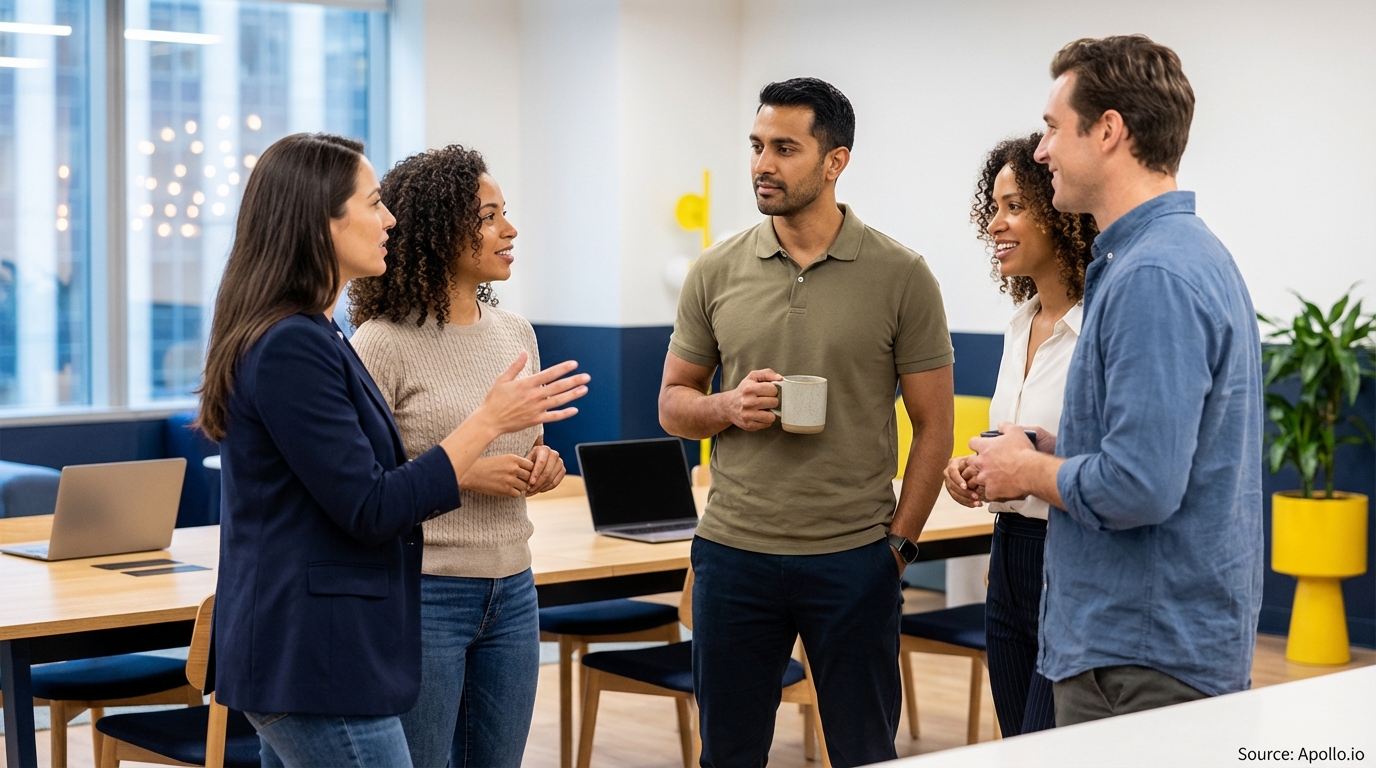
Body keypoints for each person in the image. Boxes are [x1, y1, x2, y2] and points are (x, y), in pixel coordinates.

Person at [199, 133, 589, 767]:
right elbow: (372, 504)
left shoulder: (313, 333)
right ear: (317, 220)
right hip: (311, 654)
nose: (389, 220)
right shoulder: (294, 344)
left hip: (325, 648)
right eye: (374, 203)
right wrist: (486, 423)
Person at [967, 35, 1263, 725]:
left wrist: (1026, 471)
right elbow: (1160, 452)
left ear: (1108, 131)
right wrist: (1052, 445)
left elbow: (1141, 484)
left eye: (1051, 129)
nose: (1041, 152)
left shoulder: (1151, 274)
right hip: (1151, 647)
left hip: (1139, 659)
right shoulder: (1177, 256)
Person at [658, 77, 954, 767]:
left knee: (863, 751)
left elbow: (933, 427)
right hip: (733, 557)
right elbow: (674, 402)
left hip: (854, 560)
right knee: (728, 755)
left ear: (835, 161)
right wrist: (725, 407)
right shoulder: (715, 270)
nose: (763, 163)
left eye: (785, 148)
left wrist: (898, 550)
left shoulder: (902, 275)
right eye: (757, 145)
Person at [348, 146, 561, 768]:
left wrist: (542, 468)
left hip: (514, 586)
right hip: (426, 593)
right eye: (490, 216)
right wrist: (463, 474)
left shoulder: (516, 333)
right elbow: (364, 486)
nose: (510, 230)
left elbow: (530, 445)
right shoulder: (380, 344)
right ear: (441, 231)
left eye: (505, 215)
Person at [943, 133, 1096, 736]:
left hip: (1069, 559)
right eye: (993, 206)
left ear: (1061, 214)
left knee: (1044, 743)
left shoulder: (1100, 325)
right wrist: (974, 466)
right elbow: (1017, 436)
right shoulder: (1020, 321)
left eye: (1014, 207)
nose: (994, 223)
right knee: (1016, 743)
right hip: (1007, 554)